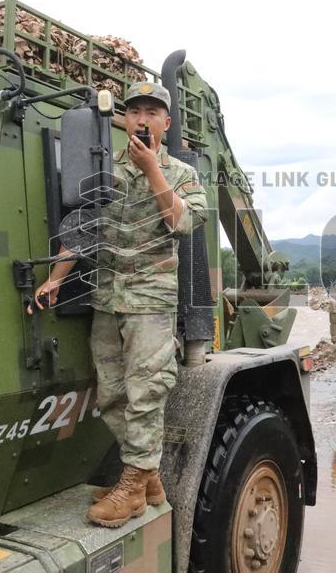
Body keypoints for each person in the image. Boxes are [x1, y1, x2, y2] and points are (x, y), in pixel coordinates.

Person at [27, 80, 208, 528]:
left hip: (151, 301)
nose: (143, 119)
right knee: (110, 395)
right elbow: (83, 231)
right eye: (135, 112)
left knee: (147, 393)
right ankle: (147, 481)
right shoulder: (103, 171)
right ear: (123, 120)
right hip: (107, 298)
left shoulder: (183, 174)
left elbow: (183, 223)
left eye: (152, 112)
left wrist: (153, 172)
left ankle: (131, 486)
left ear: (167, 122)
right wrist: (53, 279)